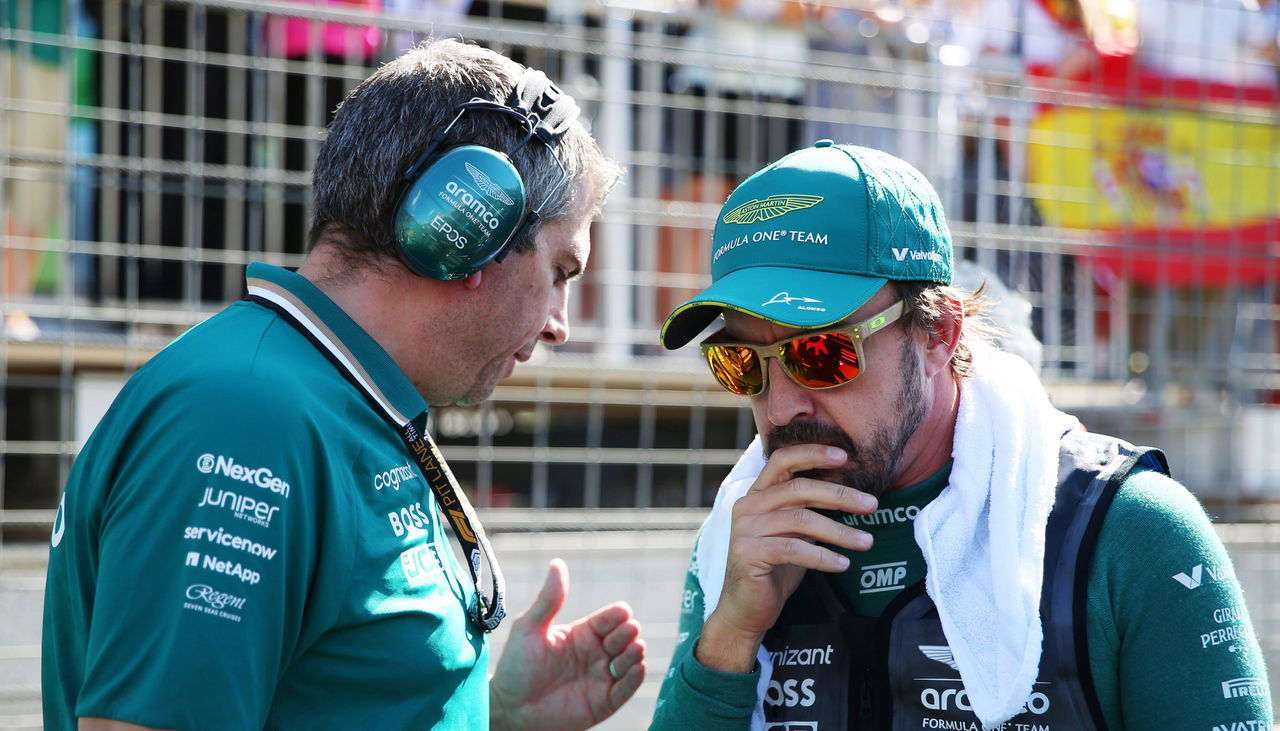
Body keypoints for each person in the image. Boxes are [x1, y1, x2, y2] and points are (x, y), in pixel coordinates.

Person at [42, 38, 646, 730]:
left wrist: (491, 713)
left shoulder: (338, 397)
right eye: (563, 271)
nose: (559, 324)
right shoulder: (246, 420)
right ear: (470, 229)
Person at [650, 140, 1272, 730]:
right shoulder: (741, 539)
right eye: (741, 363)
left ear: (937, 336)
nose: (781, 406)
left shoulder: (1129, 530)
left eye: (820, 353)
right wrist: (730, 636)